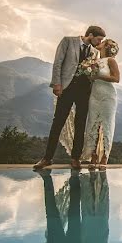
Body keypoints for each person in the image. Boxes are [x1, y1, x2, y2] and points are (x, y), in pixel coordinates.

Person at [34, 26, 106, 170]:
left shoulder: (94, 52)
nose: (99, 43)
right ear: (90, 35)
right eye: (98, 39)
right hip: (66, 88)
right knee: (58, 123)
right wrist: (57, 84)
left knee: (80, 125)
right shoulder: (68, 41)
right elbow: (58, 63)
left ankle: (75, 158)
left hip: (85, 92)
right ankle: (47, 158)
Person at [80, 38, 120, 169]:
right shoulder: (94, 61)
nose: (99, 43)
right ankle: (93, 156)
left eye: (102, 42)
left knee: (106, 125)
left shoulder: (111, 61)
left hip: (108, 96)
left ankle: (104, 157)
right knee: (92, 124)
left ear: (107, 46)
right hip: (94, 96)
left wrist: (98, 76)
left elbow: (116, 78)